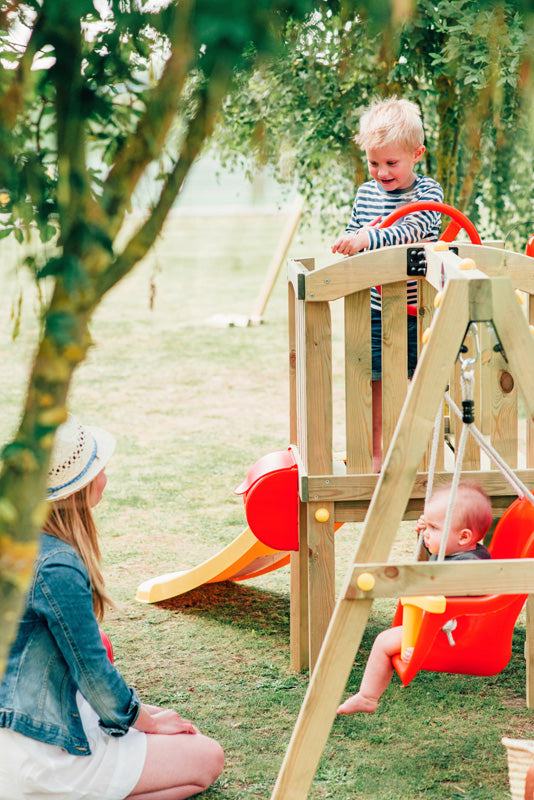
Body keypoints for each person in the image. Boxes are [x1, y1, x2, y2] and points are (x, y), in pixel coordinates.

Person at [0, 413, 224, 800]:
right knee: (206, 757)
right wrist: (147, 724)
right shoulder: (56, 564)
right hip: (40, 754)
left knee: (151, 708)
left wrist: (142, 716)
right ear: (76, 488)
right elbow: (92, 672)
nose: (104, 476)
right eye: (98, 468)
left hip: (19, 725)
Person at [331, 97, 444, 471]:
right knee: (376, 379)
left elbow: (412, 229)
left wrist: (367, 239)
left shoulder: (428, 193)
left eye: (391, 163)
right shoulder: (366, 194)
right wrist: (349, 241)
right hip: (379, 308)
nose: (381, 172)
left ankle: (417, 451)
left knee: (417, 380)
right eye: (373, 162)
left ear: (416, 154)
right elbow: (355, 230)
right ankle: (377, 453)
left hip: (421, 311)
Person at [337, 482, 492, 716]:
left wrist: (422, 646)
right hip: (438, 625)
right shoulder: (466, 554)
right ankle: (367, 696)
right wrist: (431, 534)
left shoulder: (470, 568)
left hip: (450, 633)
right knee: (387, 639)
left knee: (382, 642)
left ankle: (367, 697)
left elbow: (453, 604)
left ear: (463, 536)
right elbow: (443, 559)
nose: (426, 532)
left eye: (434, 528)